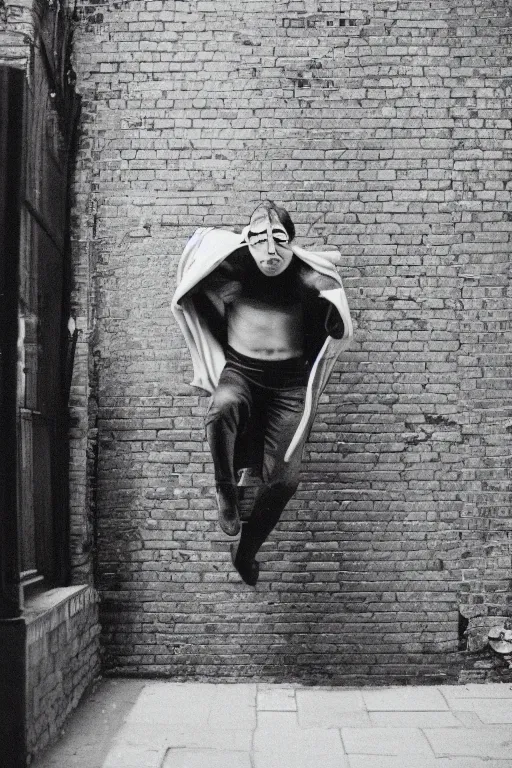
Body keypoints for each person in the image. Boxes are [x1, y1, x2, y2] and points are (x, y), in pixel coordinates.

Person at [172, 202, 352, 585]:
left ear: (292, 242)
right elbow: (196, 272)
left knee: (284, 481)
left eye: (279, 240)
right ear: (246, 241)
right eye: (258, 239)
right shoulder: (231, 268)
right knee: (221, 409)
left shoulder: (310, 278)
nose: (269, 251)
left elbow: (335, 322)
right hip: (241, 372)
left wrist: (333, 317)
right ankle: (225, 492)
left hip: (289, 385)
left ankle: (246, 550)